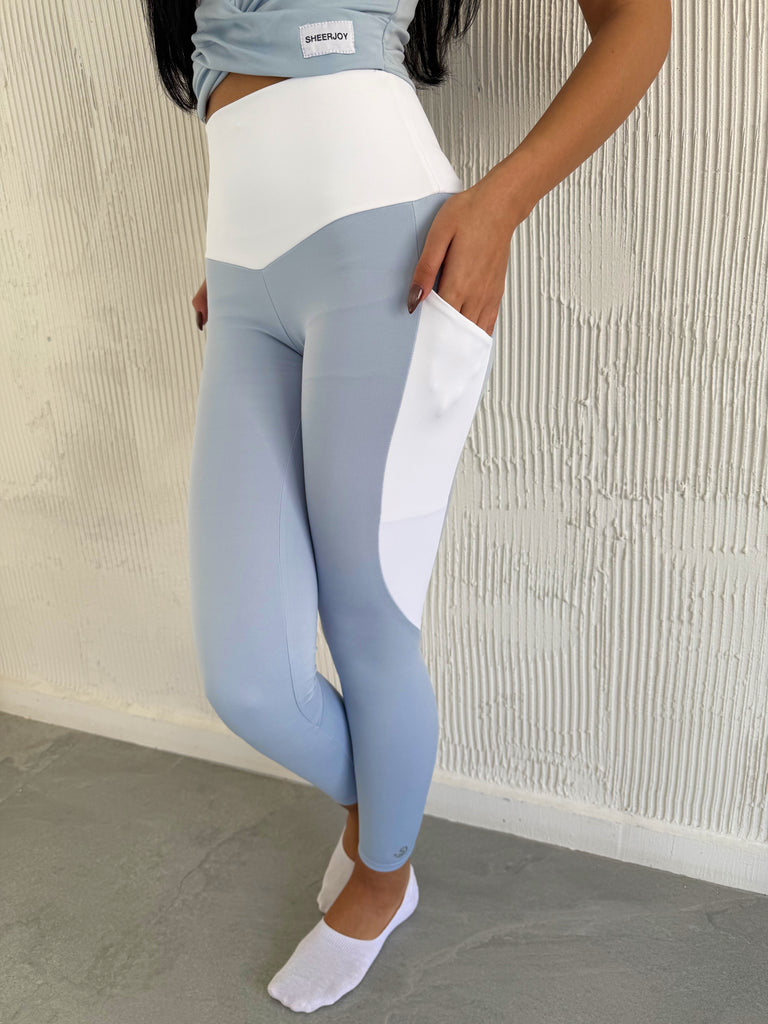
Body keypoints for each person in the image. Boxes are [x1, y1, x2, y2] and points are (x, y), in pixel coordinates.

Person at [141, 0, 671, 1011]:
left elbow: (640, 21)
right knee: (246, 678)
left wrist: (503, 201)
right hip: (241, 277)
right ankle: (381, 805)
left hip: (387, 250)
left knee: (369, 620)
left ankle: (383, 879)